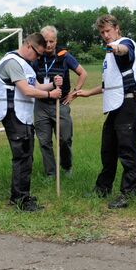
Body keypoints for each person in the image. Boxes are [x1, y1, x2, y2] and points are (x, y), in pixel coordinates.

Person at [69, 14, 136, 209]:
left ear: (117, 28)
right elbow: (109, 85)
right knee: (108, 149)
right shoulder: (108, 54)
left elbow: (124, 51)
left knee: (127, 150)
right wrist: (87, 93)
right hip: (116, 105)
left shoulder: (125, 43)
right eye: (102, 32)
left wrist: (116, 48)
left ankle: (128, 194)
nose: (105, 35)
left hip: (130, 103)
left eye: (108, 31)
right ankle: (103, 188)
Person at [0, 33, 62, 212]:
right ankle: (21, 199)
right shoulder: (12, 62)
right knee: (23, 157)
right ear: (28, 45)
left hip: (22, 116)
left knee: (26, 156)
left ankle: (20, 194)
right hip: (14, 115)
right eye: (38, 54)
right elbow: (26, 91)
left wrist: (53, 84)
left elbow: (36, 86)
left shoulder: (25, 64)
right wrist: (50, 95)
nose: (38, 58)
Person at [33, 26, 87, 178]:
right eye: (46, 41)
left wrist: (74, 93)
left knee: (64, 139)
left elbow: (83, 73)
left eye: (52, 41)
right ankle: (50, 173)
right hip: (41, 104)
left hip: (60, 103)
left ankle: (67, 166)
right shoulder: (36, 57)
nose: (49, 45)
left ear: (56, 41)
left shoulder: (64, 56)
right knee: (44, 141)